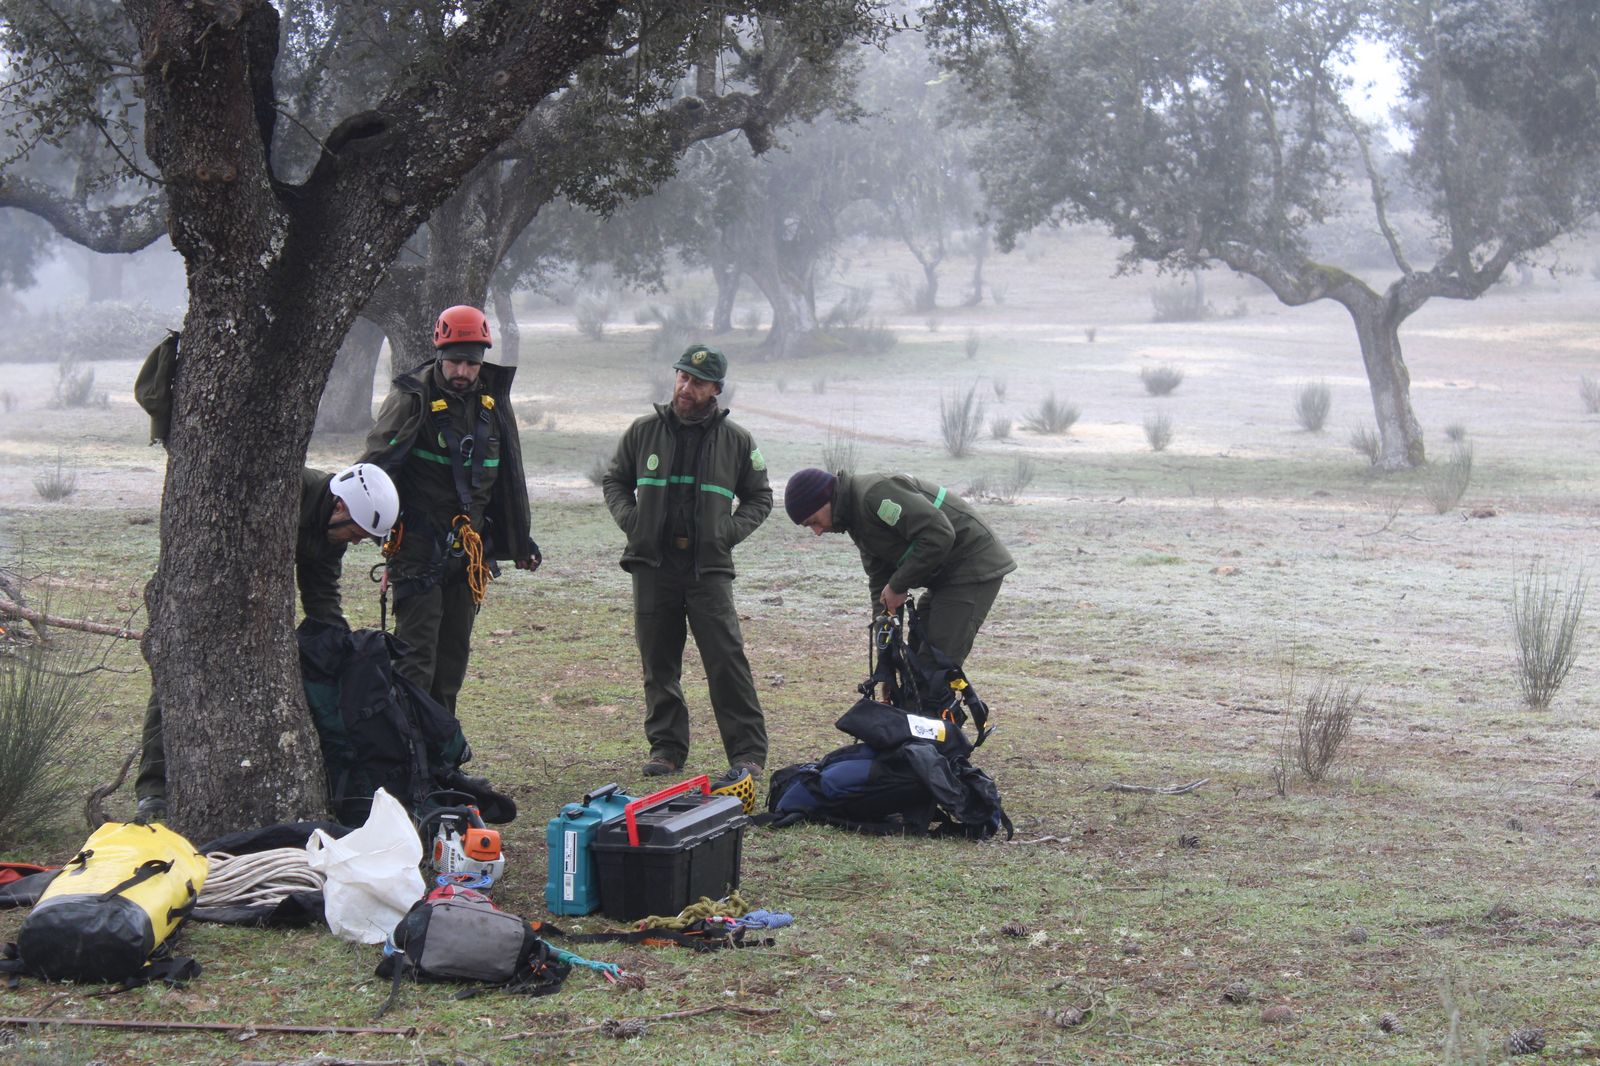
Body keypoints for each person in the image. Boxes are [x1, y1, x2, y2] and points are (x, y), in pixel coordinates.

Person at [134, 463, 400, 822]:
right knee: (176, 684)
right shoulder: (285, 486)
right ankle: (153, 791)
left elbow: (321, 588)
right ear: (340, 506)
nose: (355, 542)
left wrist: (338, 639)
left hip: (255, 616)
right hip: (201, 594)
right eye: (356, 533)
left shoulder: (330, 526)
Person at [602, 344, 772, 780]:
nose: (685, 386)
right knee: (658, 661)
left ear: (716, 389)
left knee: (726, 660)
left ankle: (747, 752)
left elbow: (760, 497)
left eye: (697, 382)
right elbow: (615, 481)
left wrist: (726, 533)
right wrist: (634, 524)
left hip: (707, 569)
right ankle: (667, 748)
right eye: (681, 377)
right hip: (653, 566)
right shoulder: (643, 431)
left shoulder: (737, 441)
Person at [359, 305, 539, 715]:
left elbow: (507, 476)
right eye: (455, 361)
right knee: (415, 661)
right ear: (440, 355)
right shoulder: (411, 399)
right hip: (418, 552)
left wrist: (518, 538)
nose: (462, 371)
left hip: (470, 556)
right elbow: (375, 469)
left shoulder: (492, 405)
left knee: (452, 661)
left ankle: (441, 757)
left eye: (471, 363)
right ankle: (407, 760)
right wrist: (382, 539)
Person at [783, 468, 1016, 706]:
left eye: (813, 522)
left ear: (825, 498)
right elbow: (880, 588)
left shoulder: (874, 495)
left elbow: (938, 535)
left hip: (972, 565)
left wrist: (898, 584)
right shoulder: (855, 519)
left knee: (933, 670)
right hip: (945, 577)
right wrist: (887, 666)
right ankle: (912, 735)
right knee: (912, 664)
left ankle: (933, 739)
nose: (818, 532)